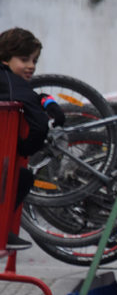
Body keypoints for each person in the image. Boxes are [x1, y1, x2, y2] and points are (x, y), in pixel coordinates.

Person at [0, 27, 64, 249]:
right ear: (5, 59)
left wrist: (47, 101)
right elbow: (38, 125)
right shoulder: (10, 82)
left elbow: (32, 98)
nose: (31, 66)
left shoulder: (10, 82)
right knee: (22, 178)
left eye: (34, 61)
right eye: (24, 59)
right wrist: (26, 148)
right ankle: (1, 231)